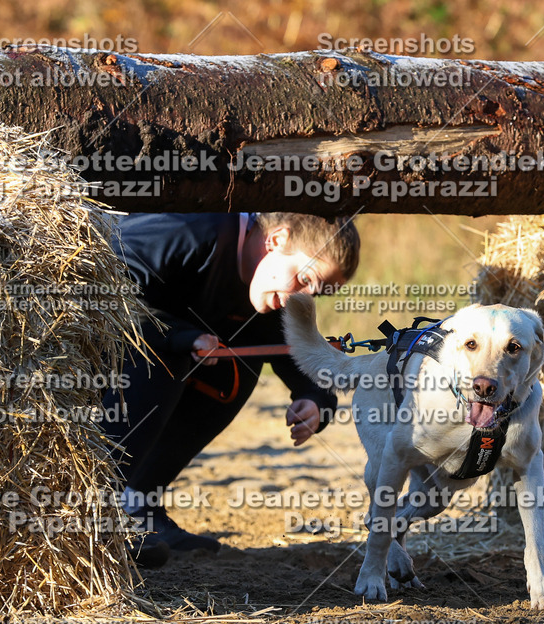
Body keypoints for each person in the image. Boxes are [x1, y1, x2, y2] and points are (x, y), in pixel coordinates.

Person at [100, 212, 359, 567]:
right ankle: (95, 509)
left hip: (155, 357)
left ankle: (139, 504)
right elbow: (100, 284)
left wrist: (316, 399)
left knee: (238, 368)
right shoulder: (190, 229)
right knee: (168, 353)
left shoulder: (271, 284)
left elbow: (291, 349)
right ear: (277, 240)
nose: (298, 300)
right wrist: (180, 336)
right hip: (88, 358)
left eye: (313, 294)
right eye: (303, 279)